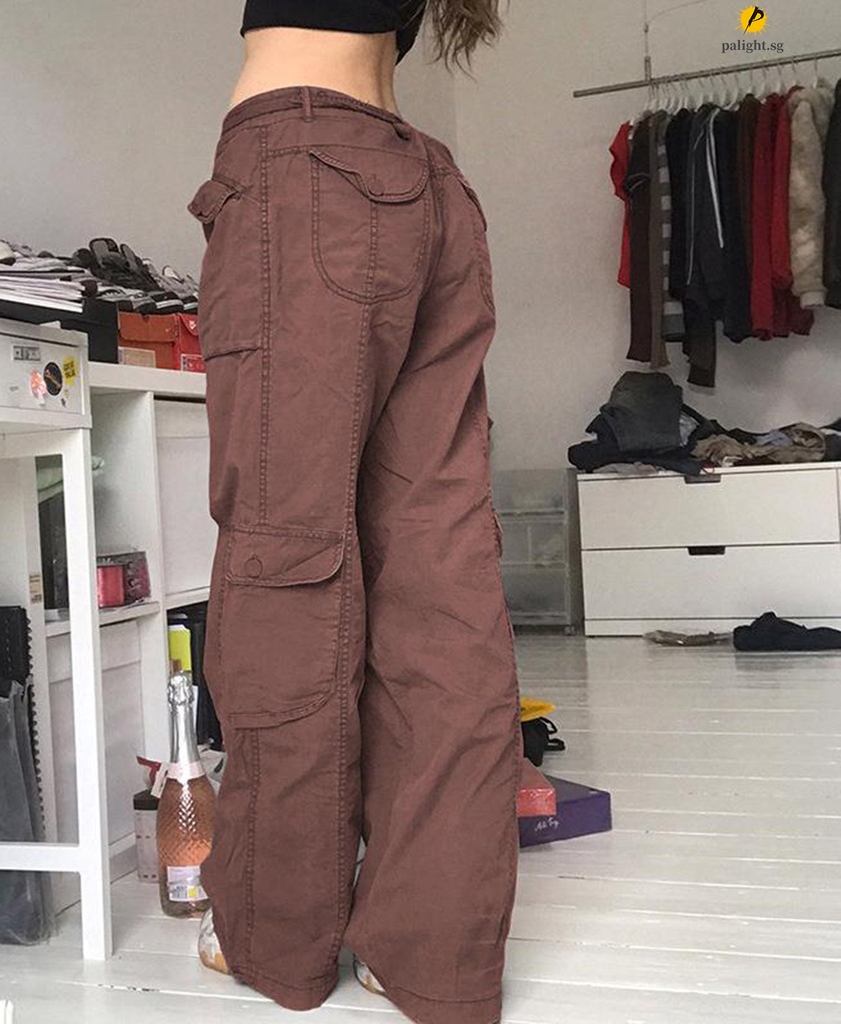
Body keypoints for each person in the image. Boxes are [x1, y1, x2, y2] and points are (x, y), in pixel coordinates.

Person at [187, 4, 520, 1023]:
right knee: (439, 580)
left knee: (286, 567)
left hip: (307, 173)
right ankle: (431, 957)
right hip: (423, 189)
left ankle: (276, 936)